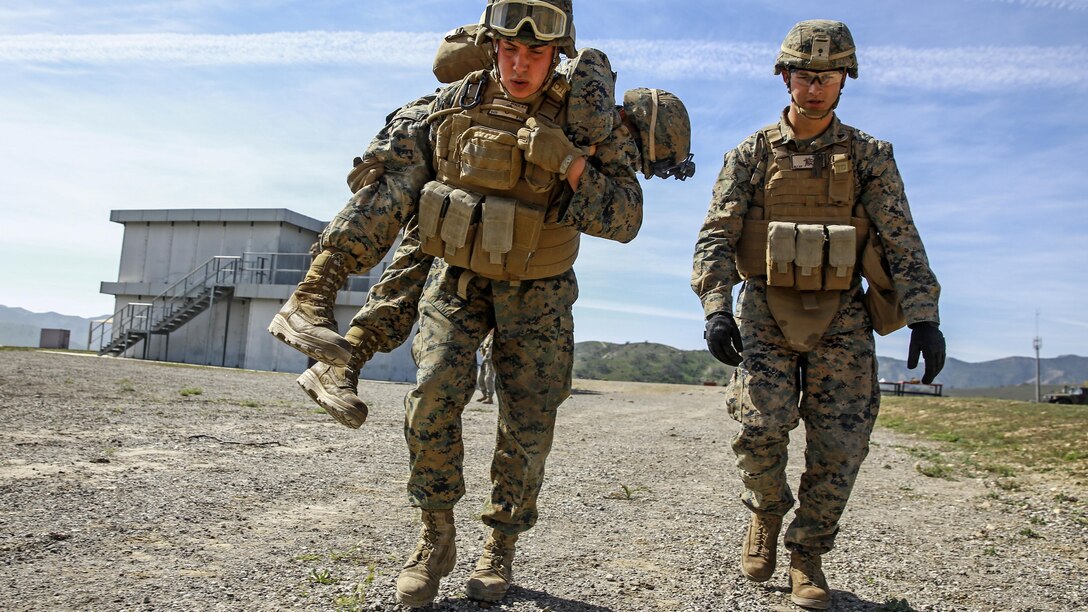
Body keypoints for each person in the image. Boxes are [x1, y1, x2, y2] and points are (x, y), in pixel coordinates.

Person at [279, 40, 694, 430]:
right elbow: (621, 214)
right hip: (445, 145)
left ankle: (339, 362)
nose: (636, 164)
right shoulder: (594, 119)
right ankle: (319, 310)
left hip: (463, 195)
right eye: (649, 158)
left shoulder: (585, 111)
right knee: (412, 248)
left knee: (412, 266)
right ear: (646, 131)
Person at [690, 20, 946, 610]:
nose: (813, 89)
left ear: (844, 81)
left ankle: (807, 553)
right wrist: (715, 308)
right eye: (804, 76)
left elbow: (900, 236)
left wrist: (924, 316)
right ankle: (765, 513)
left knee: (841, 442)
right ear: (785, 77)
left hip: (840, 314)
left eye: (826, 78)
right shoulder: (750, 155)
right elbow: (718, 235)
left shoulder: (870, 157)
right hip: (763, 309)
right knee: (759, 429)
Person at [475, 330, 496, 403]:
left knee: (488, 378)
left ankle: (490, 397)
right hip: (484, 360)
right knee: (480, 378)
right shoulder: (487, 337)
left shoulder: (494, 338)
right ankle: (484, 395)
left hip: (490, 361)